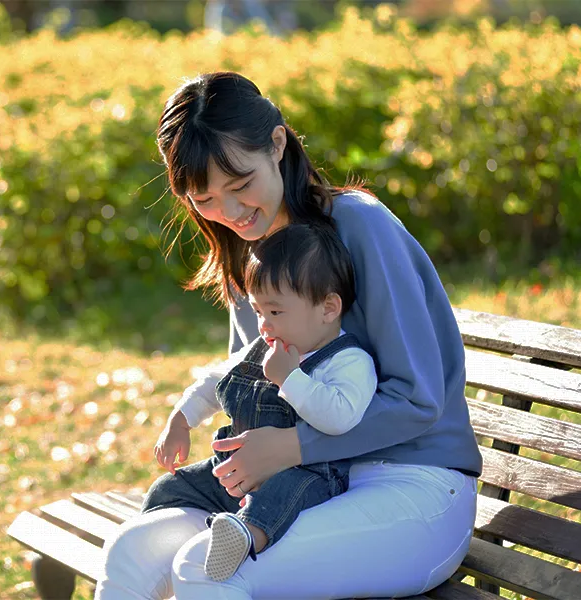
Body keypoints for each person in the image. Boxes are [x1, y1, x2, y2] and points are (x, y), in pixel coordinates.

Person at [94, 71, 482, 600]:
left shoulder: (359, 226)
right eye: (203, 199)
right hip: (297, 486)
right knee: (132, 552)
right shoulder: (245, 258)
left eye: (240, 185)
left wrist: (294, 446)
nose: (229, 213)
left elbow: (419, 398)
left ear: (277, 143)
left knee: (208, 569)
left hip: (414, 482)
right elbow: (255, 396)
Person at [143, 221, 377, 583]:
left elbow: (340, 417)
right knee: (170, 487)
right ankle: (153, 544)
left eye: (276, 312)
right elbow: (214, 383)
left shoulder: (348, 361)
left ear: (328, 308)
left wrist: (289, 378)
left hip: (306, 476)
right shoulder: (262, 347)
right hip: (236, 471)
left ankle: (246, 535)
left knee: (283, 495)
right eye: (258, 312)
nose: (264, 325)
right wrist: (180, 421)